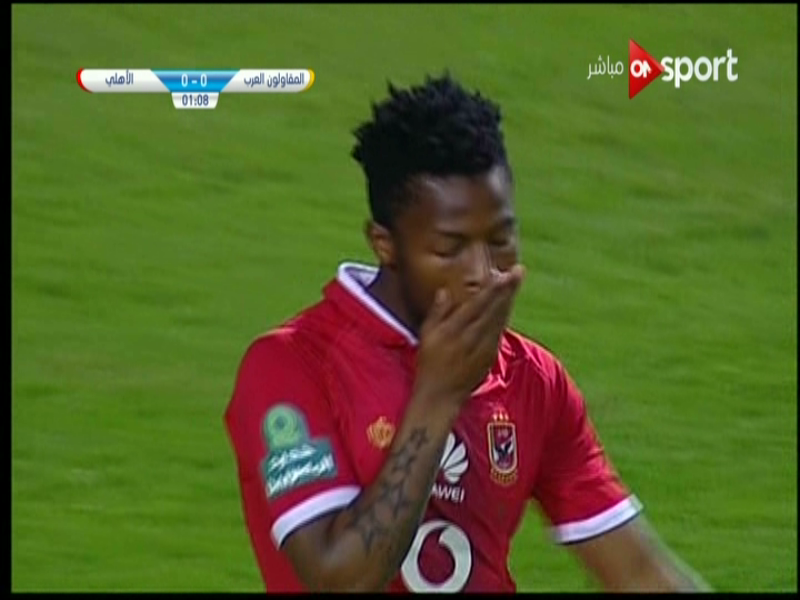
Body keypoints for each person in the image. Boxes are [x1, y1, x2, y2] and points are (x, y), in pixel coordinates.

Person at [223, 73, 710, 592]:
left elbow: (639, 573)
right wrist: (438, 395)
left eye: (500, 240)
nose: (483, 273)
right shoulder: (291, 366)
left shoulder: (533, 380)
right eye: (450, 248)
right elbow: (337, 580)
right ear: (384, 244)